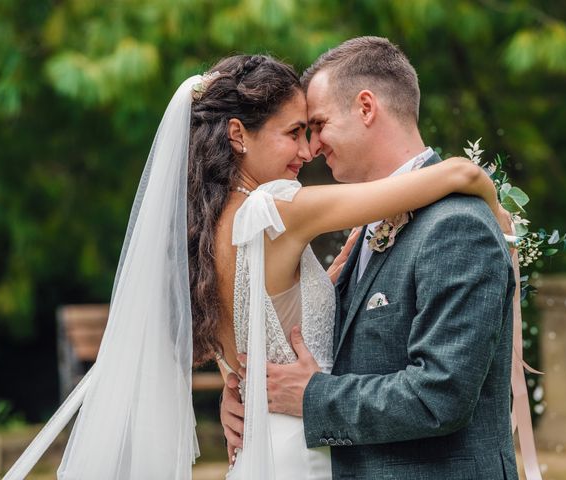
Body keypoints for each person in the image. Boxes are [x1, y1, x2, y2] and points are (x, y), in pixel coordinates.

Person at [3, 52, 505, 480]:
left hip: (262, 450)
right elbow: (458, 171)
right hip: (301, 450)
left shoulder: (201, 233)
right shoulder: (277, 211)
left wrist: (242, 389)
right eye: (294, 132)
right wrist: (497, 210)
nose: (308, 151)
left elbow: (271, 321)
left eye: (313, 130)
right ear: (239, 134)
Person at [221, 37, 522, 480]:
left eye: (319, 124)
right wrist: (251, 395)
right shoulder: (362, 224)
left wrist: (312, 396)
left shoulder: (456, 224)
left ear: (366, 108)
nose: (313, 146)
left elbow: (440, 396)